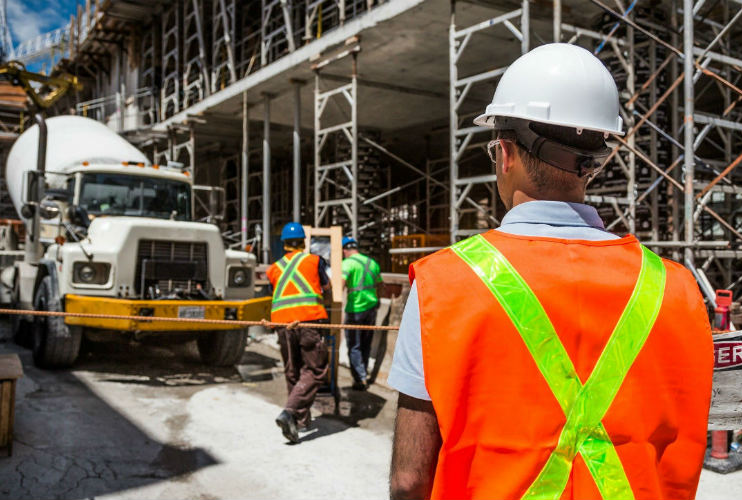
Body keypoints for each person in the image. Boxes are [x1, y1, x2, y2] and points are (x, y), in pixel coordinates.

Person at [388, 43, 713, 500]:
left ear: (503, 154)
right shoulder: (676, 287)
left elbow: (409, 480)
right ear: (595, 162)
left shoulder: (444, 284)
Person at [266, 222, 331, 444]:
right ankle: (290, 411)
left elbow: (275, 294)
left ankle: (300, 421)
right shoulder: (314, 261)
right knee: (316, 369)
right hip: (308, 321)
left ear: (284, 244)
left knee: (293, 370)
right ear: (304, 242)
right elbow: (327, 286)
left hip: (283, 325)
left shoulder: (273, 268)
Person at [341, 236, 383, 390]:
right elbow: (381, 285)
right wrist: (376, 300)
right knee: (366, 344)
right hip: (371, 309)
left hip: (355, 310)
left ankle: (360, 379)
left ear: (345, 250)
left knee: (354, 345)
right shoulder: (372, 263)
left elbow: (341, 284)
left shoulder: (347, 264)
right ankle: (363, 373)